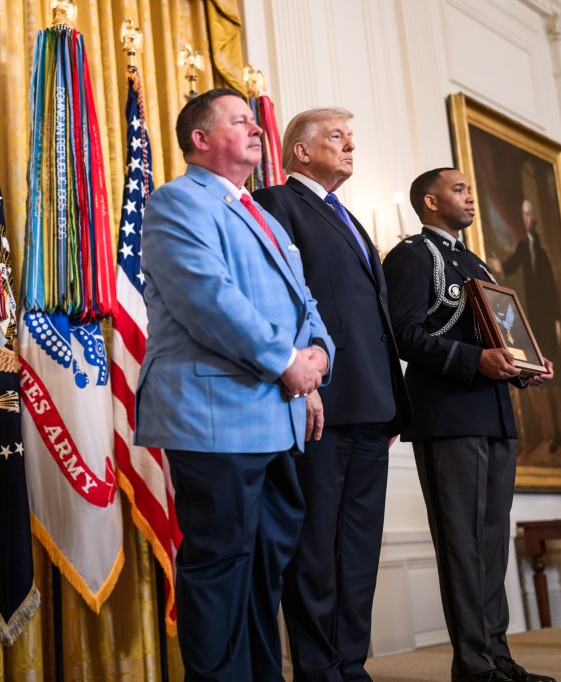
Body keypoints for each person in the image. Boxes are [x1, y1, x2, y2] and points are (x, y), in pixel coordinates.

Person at [135, 88, 335, 681]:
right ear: (201, 139)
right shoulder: (176, 202)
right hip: (214, 415)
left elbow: (307, 305)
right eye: (240, 121)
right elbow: (209, 300)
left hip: (278, 417)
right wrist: (288, 363)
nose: (256, 130)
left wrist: (319, 357)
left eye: (255, 121)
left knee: (264, 571)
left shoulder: (264, 216)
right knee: (220, 567)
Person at [252, 108, 411, 682]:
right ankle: (320, 671)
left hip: (373, 406)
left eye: (351, 137)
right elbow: (280, 298)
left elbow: (375, 319)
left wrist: (393, 396)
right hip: (319, 402)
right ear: (300, 151)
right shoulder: (276, 204)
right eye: (337, 138)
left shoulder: (351, 220)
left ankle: (351, 666)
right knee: (315, 547)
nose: (350, 147)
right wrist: (306, 382)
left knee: (359, 549)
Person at [382, 168, 556, 682]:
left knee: (490, 544)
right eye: (459, 190)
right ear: (430, 202)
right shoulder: (413, 256)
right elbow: (403, 334)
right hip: (449, 413)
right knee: (463, 544)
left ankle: (498, 657)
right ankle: (476, 667)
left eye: (472, 189)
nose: (471, 197)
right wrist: (472, 363)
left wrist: (525, 368)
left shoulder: (475, 261)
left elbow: (496, 333)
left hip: (493, 412)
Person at [487, 200, 561, 459]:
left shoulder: (540, 249)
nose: (526, 218)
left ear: (534, 218)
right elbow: (511, 266)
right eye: (523, 214)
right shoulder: (523, 246)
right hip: (533, 321)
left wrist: (559, 322)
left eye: (529, 213)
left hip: (549, 321)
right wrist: (498, 266)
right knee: (540, 376)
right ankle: (552, 433)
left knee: (557, 379)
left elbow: (550, 288)